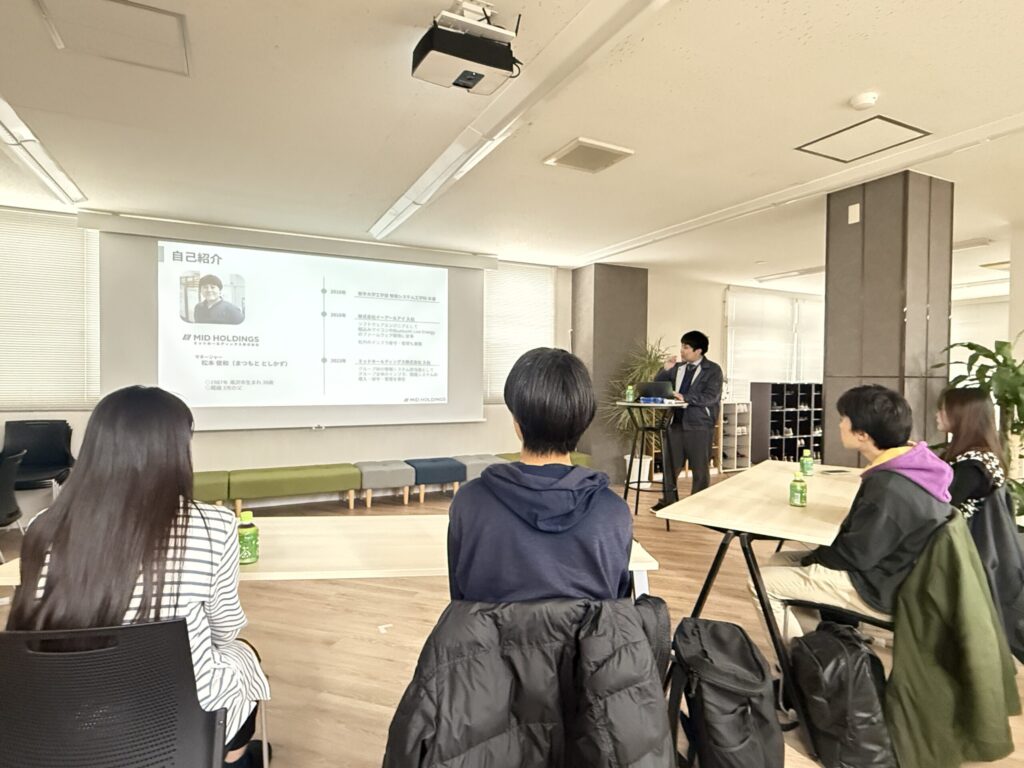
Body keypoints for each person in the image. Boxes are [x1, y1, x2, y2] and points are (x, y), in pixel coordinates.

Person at [7, 386, 270, 767]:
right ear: (175, 449)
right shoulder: (214, 525)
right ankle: (231, 757)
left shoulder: (43, 526)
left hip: (69, 710)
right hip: (177, 718)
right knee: (241, 657)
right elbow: (224, 630)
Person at [757, 384, 952, 642]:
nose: (839, 425)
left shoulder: (889, 485)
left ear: (862, 434)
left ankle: (797, 660)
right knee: (779, 561)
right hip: (897, 572)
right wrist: (811, 559)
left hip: (879, 588)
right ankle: (818, 648)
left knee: (761, 584)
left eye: (843, 419)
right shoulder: (914, 466)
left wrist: (811, 560)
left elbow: (855, 555)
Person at [447, 347, 633, 602]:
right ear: (584, 421)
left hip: (491, 630)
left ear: (517, 422)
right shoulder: (612, 511)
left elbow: (461, 601)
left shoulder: (470, 502)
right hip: (584, 631)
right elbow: (615, 604)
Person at [651, 330, 723, 509]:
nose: (682, 350)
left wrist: (685, 397)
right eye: (682, 346)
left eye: (686, 347)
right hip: (675, 423)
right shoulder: (678, 368)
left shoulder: (713, 370)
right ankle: (668, 501)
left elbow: (711, 397)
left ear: (698, 351)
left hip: (699, 425)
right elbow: (657, 386)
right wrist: (665, 369)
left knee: (700, 468)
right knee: (670, 466)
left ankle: (697, 505)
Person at [936, 387, 1007, 519]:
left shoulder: (972, 466)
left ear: (962, 416)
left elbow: (940, 507)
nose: (937, 414)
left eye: (943, 409)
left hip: (966, 531)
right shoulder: (984, 456)